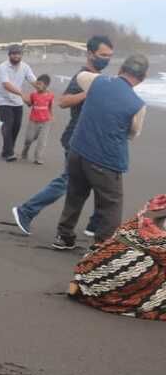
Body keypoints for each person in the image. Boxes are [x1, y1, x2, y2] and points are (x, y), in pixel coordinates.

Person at [12, 35, 115, 236]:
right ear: (90, 54)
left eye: (110, 56)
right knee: (70, 181)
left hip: (90, 139)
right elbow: (64, 101)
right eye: (103, 55)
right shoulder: (83, 76)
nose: (107, 59)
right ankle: (26, 210)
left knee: (97, 182)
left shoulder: (98, 78)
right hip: (77, 138)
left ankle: (94, 224)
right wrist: (91, 92)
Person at [53, 54, 149, 250]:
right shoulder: (137, 104)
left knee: (75, 195)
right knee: (110, 204)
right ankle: (101, 246)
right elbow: (132, 133)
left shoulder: (96, 81)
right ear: (143, 77)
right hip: (106, 160)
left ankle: (64, 236)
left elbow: (81, 77)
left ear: (121, 68)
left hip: (78, 150)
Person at [68, 195, 166, 319]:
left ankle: (86, 287)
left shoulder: (155, 206)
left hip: (96, 264)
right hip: (125, 271)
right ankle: (110, 294)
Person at [0, 44, 37, 161]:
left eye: (19, 53)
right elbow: (6, 84)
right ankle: (9, 153)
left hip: (17, 102)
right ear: (9, 55)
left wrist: (44, 91)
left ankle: (7, 150)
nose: (16, 56)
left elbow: (34, 81)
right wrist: (22, 95)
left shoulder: (25, 67)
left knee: (16, 127)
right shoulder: (2, 67)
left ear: (22, 55)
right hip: (3, 100)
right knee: (8, 124)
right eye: (14, 54)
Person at [22, 74, 54, 163]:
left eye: (40, 84)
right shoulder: (33, 95)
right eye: (37, 84)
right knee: (29, 138)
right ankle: (25, 149)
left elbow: (50, 107)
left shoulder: (50, 96)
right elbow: (30, 104)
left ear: (46, 85)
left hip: (45, 122)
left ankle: (38, 158)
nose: (37, 86)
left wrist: (51, 116)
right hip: (33, 121)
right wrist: (25, 100)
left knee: (42, 141)